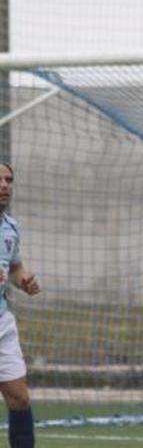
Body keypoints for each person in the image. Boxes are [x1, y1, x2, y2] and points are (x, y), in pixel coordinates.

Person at [0, 162, 39, 448]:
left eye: (9, 180)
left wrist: (22, 279)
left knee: (19, 397)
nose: (4, 185)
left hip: (2, 321)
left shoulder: (11, 227)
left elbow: (13, 268)